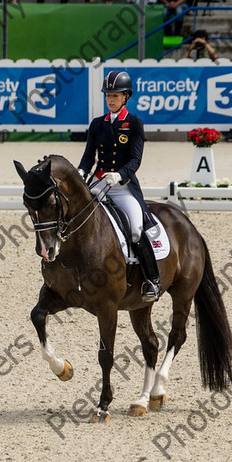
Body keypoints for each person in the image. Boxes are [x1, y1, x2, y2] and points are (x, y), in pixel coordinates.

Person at [78, 71, 161, 302]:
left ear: (126, 96)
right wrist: (81, 172)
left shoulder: (134, 124)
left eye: (115, 95)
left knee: (135, 229)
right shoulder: (97, 124)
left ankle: (151, 280)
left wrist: (120, 174)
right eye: (108, 96)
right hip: (97, 183)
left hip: (122, 186)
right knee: (76, 217)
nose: (110, 100)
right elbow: (88, 157)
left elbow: (135, 159)